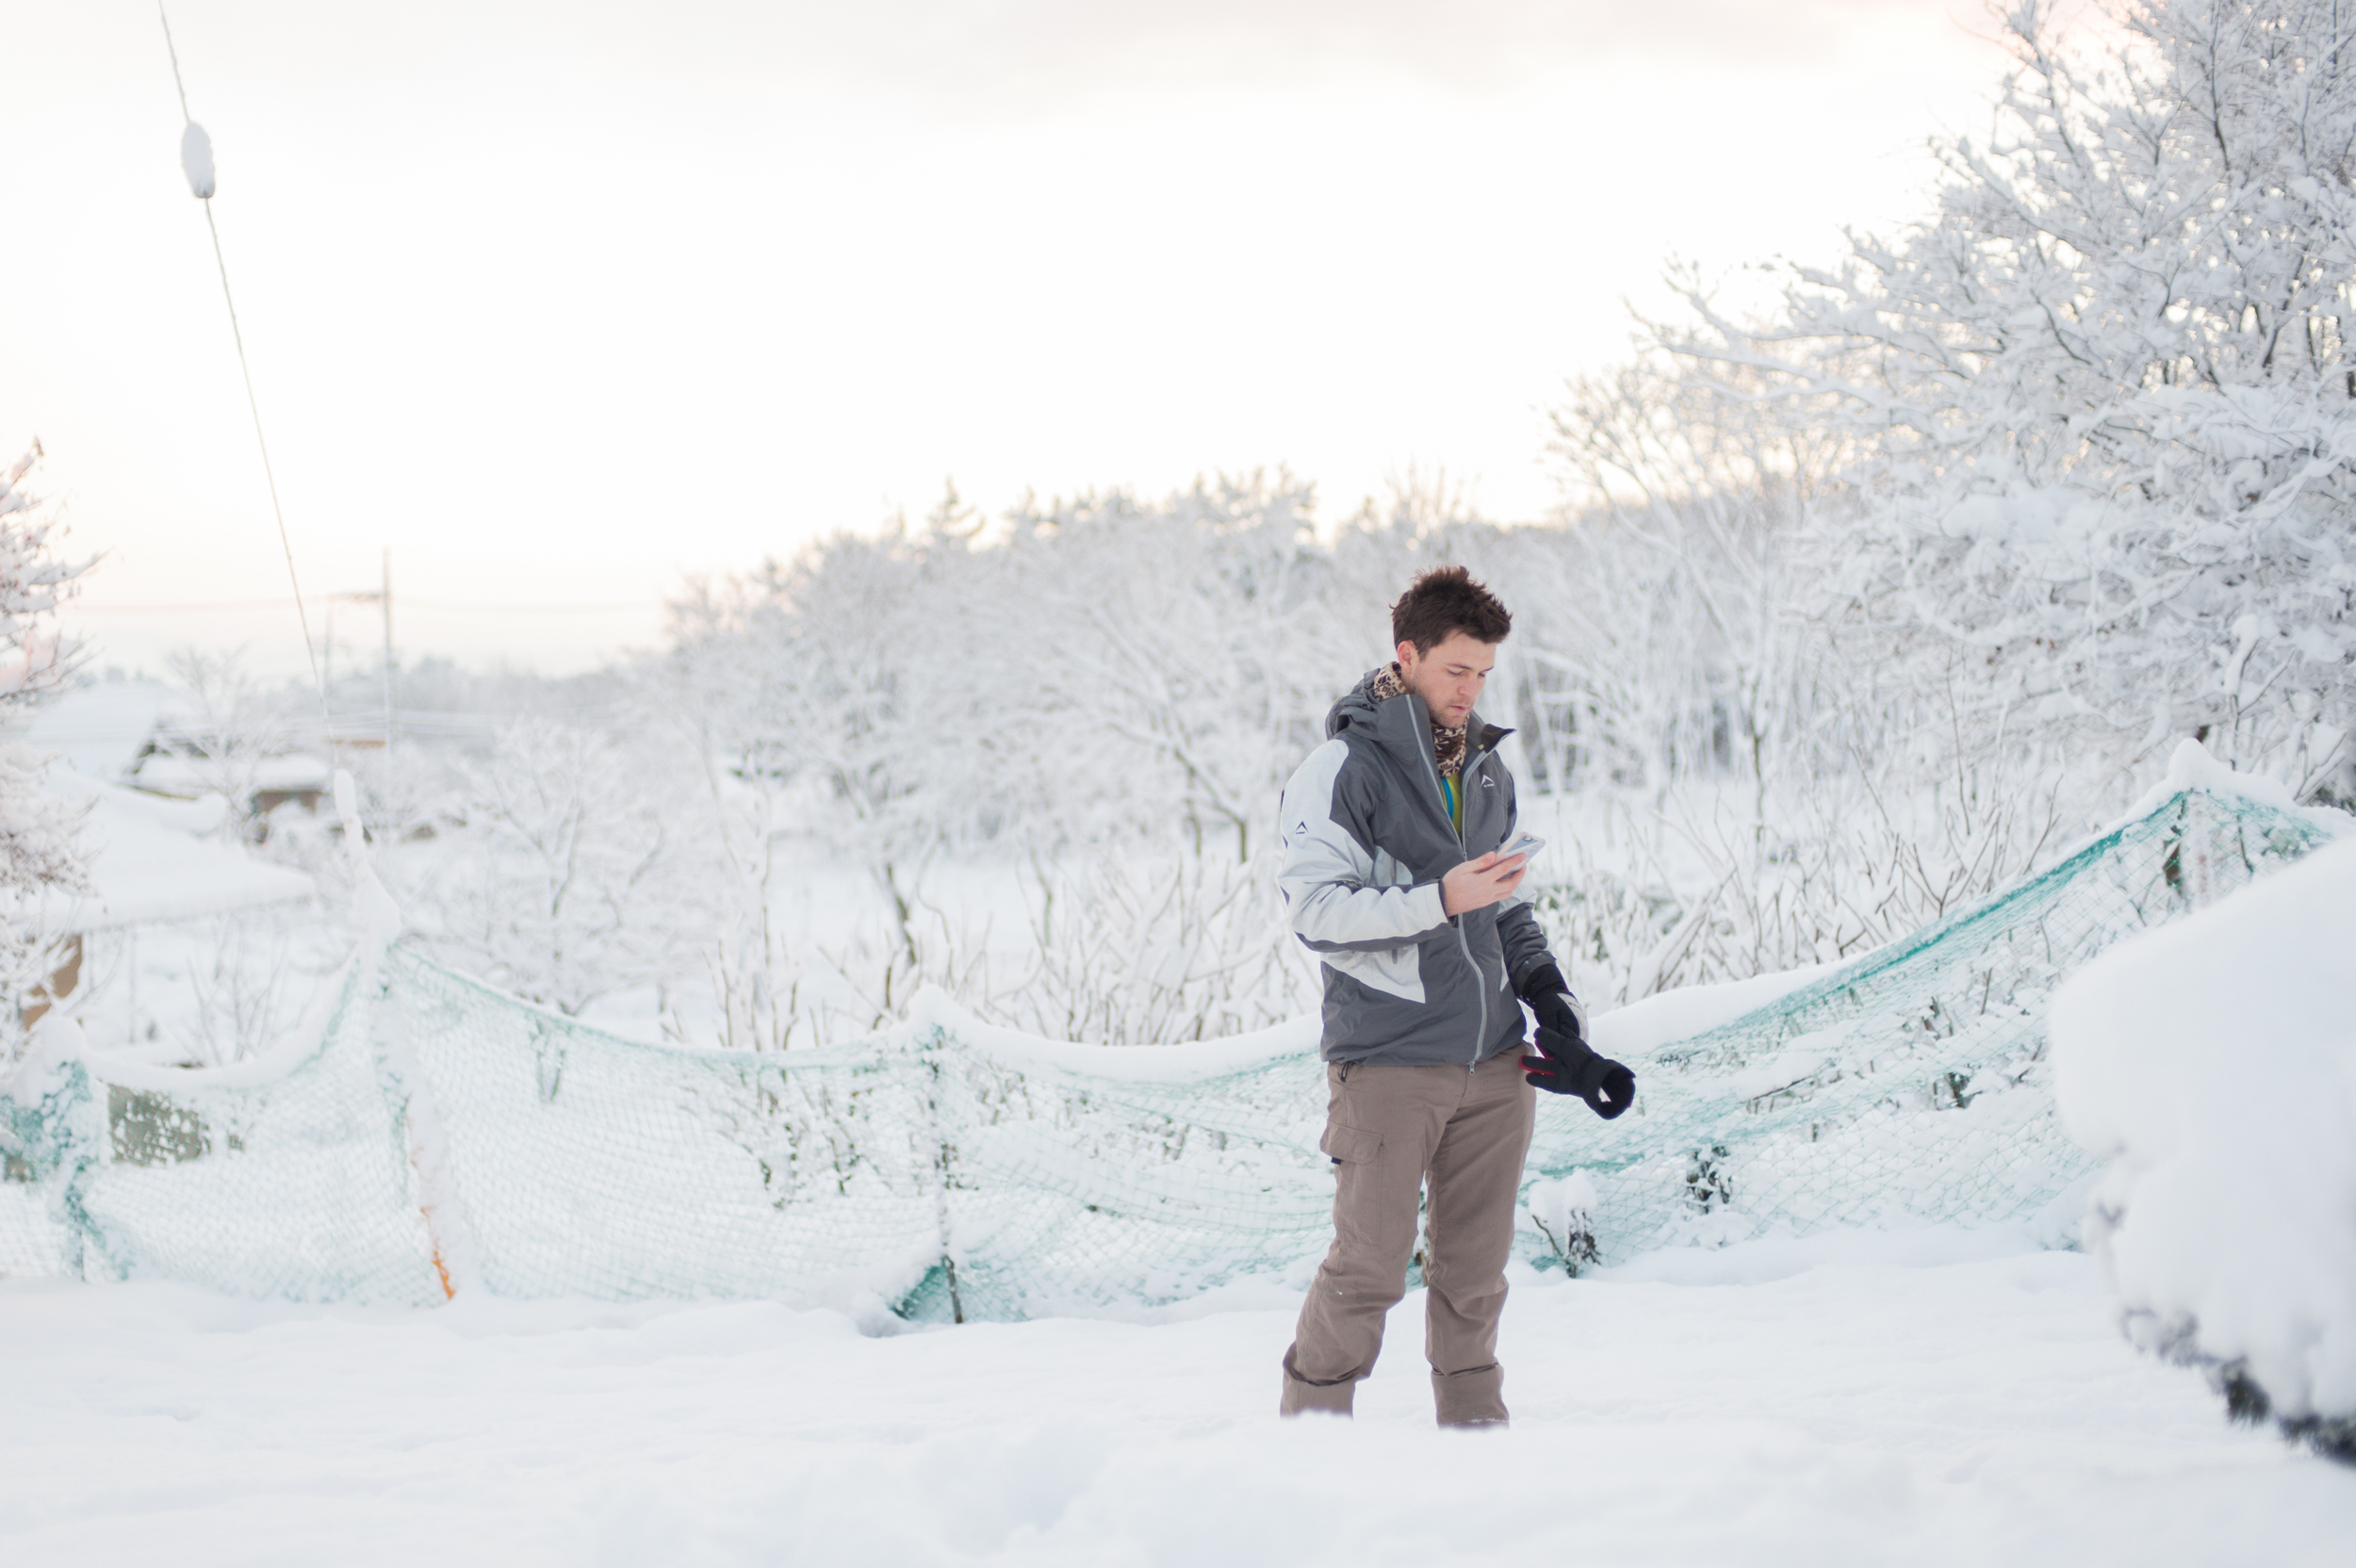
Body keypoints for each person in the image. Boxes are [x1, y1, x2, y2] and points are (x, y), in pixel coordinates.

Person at [1273, 564, 1636, 1427]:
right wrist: (1442, 899)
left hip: (1495, 1066)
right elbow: (1317, 913)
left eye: (1483, 673)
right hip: (1390, 1064)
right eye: (1455, 670)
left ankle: (1476, 1450)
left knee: (1476, 1275)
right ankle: (1306, 1455)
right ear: (1407, 655)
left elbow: (1505, 899)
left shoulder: (1483, 769)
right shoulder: (1341, 771)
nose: (1470, 690)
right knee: (1368, 1270)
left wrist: (1548, 997)